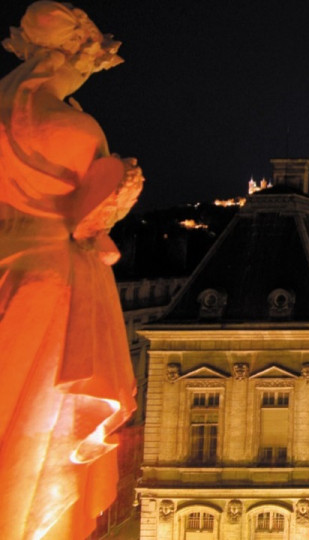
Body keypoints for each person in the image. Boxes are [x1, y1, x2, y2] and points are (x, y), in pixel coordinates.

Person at [0, 2, 142, 537]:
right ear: (72, 55)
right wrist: (119, 195)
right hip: (54, 282)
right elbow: (87, 221)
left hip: (7, 267)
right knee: (40, 435)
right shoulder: (73, 128)